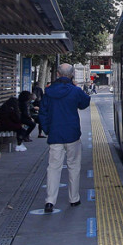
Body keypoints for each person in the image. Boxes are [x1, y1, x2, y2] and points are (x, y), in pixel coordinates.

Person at [39, 63, 91, 212]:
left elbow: (42, 113)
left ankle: (50, 201)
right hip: (72, 134)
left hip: (55, 135)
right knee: (74, 166)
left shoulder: (49, 91)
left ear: (57, 74)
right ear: (72, 75)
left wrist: (48, 129)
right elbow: (85, 102)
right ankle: (74, 198)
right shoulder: (75, 91)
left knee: (53, 168)